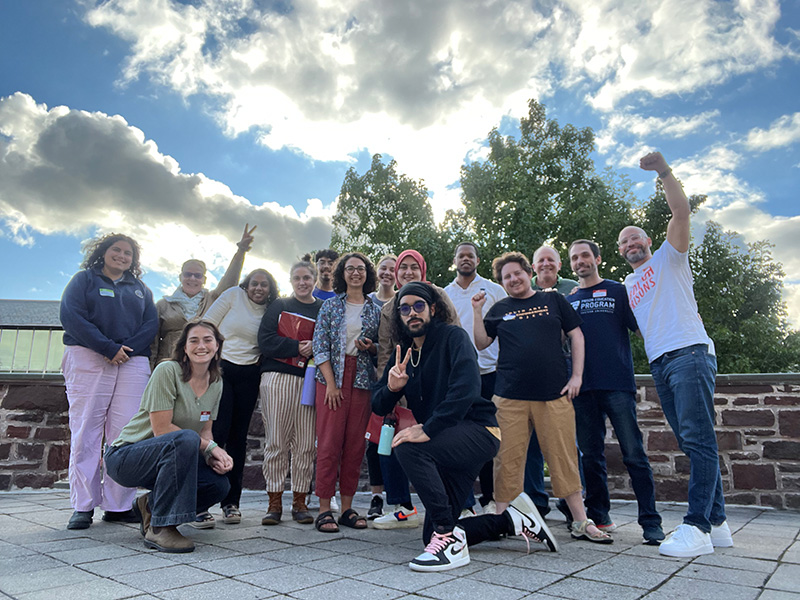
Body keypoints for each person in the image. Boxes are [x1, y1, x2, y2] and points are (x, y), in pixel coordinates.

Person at [373, 283, 558, 572]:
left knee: (407, 445)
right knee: (427, 536)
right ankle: (512, 521)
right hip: (447, 439)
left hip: (479, 430)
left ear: (433, 309)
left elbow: (466, 390)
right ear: (399, 316)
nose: (412, 313)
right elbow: (378, 404)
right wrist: (392, 388)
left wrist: (428, 429)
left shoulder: (453, 337)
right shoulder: (405, 354)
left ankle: (448, 537)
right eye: (405, 308)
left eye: (418, 306)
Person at [619, 152, 730, 557]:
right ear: (621, 252)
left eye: (636, 238)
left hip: (689, 353)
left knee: (699, 441)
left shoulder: (671, 257)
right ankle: (717, 523)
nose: (631, 244)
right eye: (624, 242)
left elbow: (681, 211)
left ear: (649, 240)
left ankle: (697, 527)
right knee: (690, 441)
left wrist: (664, 172)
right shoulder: (629, 286)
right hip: (661, 363)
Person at [473, 251, 612, 544]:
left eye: (517, 273)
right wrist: (477, 310)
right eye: (506, 277)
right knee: (506, 459)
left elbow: (577, 336)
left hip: (553, 395)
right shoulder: (499, 309)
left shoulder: (553, 301)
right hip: (509, 398)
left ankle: (580, 521)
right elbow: (482, 341)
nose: (513, 279)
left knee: (564, 457)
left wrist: (576, 376)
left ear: (528, 273)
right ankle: (499, 520)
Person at [567, 239, 664, 545]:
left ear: (597, 258)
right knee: (591, 456)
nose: (580, 261)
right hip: (582, 388)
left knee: (634, 454)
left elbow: (642, 327)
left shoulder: (617, 291)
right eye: (575, 258)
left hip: (618, 384)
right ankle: (599, 515)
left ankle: (650, 521)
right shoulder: (568, 300)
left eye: (585, 255)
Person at [105, 321, 232, 553]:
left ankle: (150, 506)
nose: (201, 345)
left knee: (218, 485)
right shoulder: (167, 371)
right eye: (193, 340)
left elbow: (205, 430)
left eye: (207, 340)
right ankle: (160, 527)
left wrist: (211, 456)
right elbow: (162, 430)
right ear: (184, 347)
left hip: (174, 455)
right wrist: (211, 447)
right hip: (126, 456)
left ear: (217, 347)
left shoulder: (217, 382)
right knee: (185, 439)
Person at [60, 233, 158, 530]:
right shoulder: (84, 280)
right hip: (89, 357)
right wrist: (106, 347)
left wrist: (123, 349)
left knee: (125, 434)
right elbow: (72, 316)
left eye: (128, 253)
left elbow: (151, 324)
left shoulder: (140, 288)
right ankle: (83, 505)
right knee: (86, 431)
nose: (122, 256)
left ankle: (119, 505)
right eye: (116, 250)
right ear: (103, 252)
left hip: (132, 362)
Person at [373, 248, 459, 530]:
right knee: (393, 441)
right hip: (404, 382)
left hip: (438, 382)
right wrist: (390, 389)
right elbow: (386, 352)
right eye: (403, 268)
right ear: (396, 274)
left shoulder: (438, 296)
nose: (408, 271)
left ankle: (463, 504)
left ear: (422, 270)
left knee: (445, 438)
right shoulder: (389, 309)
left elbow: (454, 336)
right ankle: (402, 506)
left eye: (413, 267)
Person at [195, 268, 278, 527]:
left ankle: (231, 503)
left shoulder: (271, 310)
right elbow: (207, 325)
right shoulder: (233, 296)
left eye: (264, 285)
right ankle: (201, 503)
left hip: (249, 374)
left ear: (270, 289)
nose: (258, 288)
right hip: (222, 370)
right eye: (254, 283)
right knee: (215, 435)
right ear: (247, 284)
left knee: (238, 439)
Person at [312, 252, 381, 532]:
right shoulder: (330, 307)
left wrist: (371, 347)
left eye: (360, 268)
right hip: (332, 379)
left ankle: (348, 508)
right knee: (329, 443)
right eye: (350, 268)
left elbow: (380, 348)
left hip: (362, 380)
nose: (355, 273)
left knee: (355, 445)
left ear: (367, 274)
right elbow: (320, 345)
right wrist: (330, 383)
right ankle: (325, 509)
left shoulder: (374, 309)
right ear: (342, 273)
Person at [258, 260, 323, 526]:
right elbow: (265, 341)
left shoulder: (323, 308)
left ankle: (300, 501)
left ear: (315, 279)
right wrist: (298, 346)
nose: (302, 282)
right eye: (297, 278)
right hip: (278, 378)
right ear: (291, 281)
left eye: (307, 277)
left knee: (306, 444)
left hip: (309, 380)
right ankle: (274, 503)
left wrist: (314, 347)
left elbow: (331, 342)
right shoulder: (280, 306)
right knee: (276, 441)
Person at [444, 241, 506, 514]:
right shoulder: (444, 294)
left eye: (470, 255)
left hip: (490, 373)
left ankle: (492, 498)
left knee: (492, 436)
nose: (465, 259)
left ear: (478, 260)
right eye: (461, 255)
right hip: (456, 377)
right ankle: (464, 501)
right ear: (454, 260)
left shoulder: (494, 290)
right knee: (458, 438)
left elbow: (508, 328)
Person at [151, 224, 255, 366]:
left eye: (197, 275)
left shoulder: (213, 299)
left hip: (204, 364)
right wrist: (151, 369)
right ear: (180, 277)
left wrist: (241, 251)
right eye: (188, 274)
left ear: (204, 280)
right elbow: (153, 341)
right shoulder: (163, 305)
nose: (192, 278)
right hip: (169, 363)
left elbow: (230, 282)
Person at [365, 253, 397, 519]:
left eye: (392, 269)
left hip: (400, 376)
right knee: (375, 440)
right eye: (383, 268)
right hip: (372, 380)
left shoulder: (405, 301)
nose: (387, 272)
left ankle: (401, 499)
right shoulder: (367, 302)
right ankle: (377, 496)